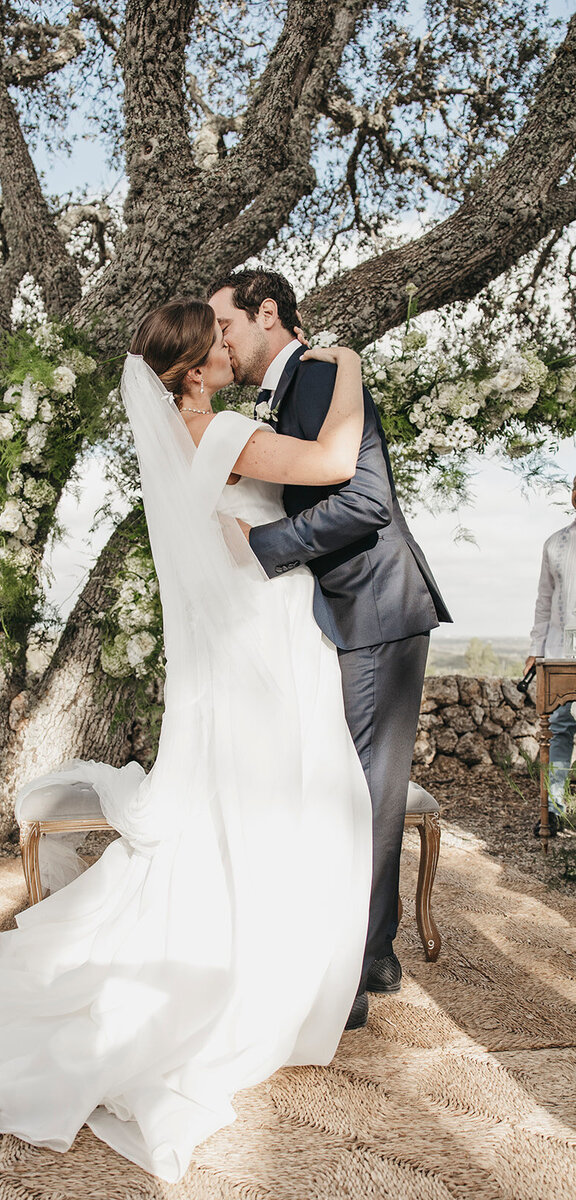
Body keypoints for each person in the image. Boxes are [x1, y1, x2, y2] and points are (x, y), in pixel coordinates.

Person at [0, 299, 373, 1183]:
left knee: (251, 803)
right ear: (194, 372)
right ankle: (265, 973)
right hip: (266, 637)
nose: (231, 347)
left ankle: (261, 950)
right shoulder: (223, 427)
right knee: (299, 797)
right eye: (217, 342)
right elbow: (336, 461)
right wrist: (347, 365)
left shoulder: (183, 440)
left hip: (237, 647)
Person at [209, 269, 451, 1030]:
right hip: (355, 607)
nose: (221, 342)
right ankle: (373, 953)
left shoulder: (313, 379)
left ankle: (348, 976)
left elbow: (365, 501)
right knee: (358, 791)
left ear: (268, 313)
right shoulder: (292, 388)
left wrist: (263, 545)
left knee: (364, 797)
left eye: (226, 326)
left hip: (376, 605)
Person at [525, 474, 576, 833]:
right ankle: (553, 809)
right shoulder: (555, 544)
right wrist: (534, 650)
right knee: (558, 729)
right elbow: (544, 603)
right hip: (561, 649)